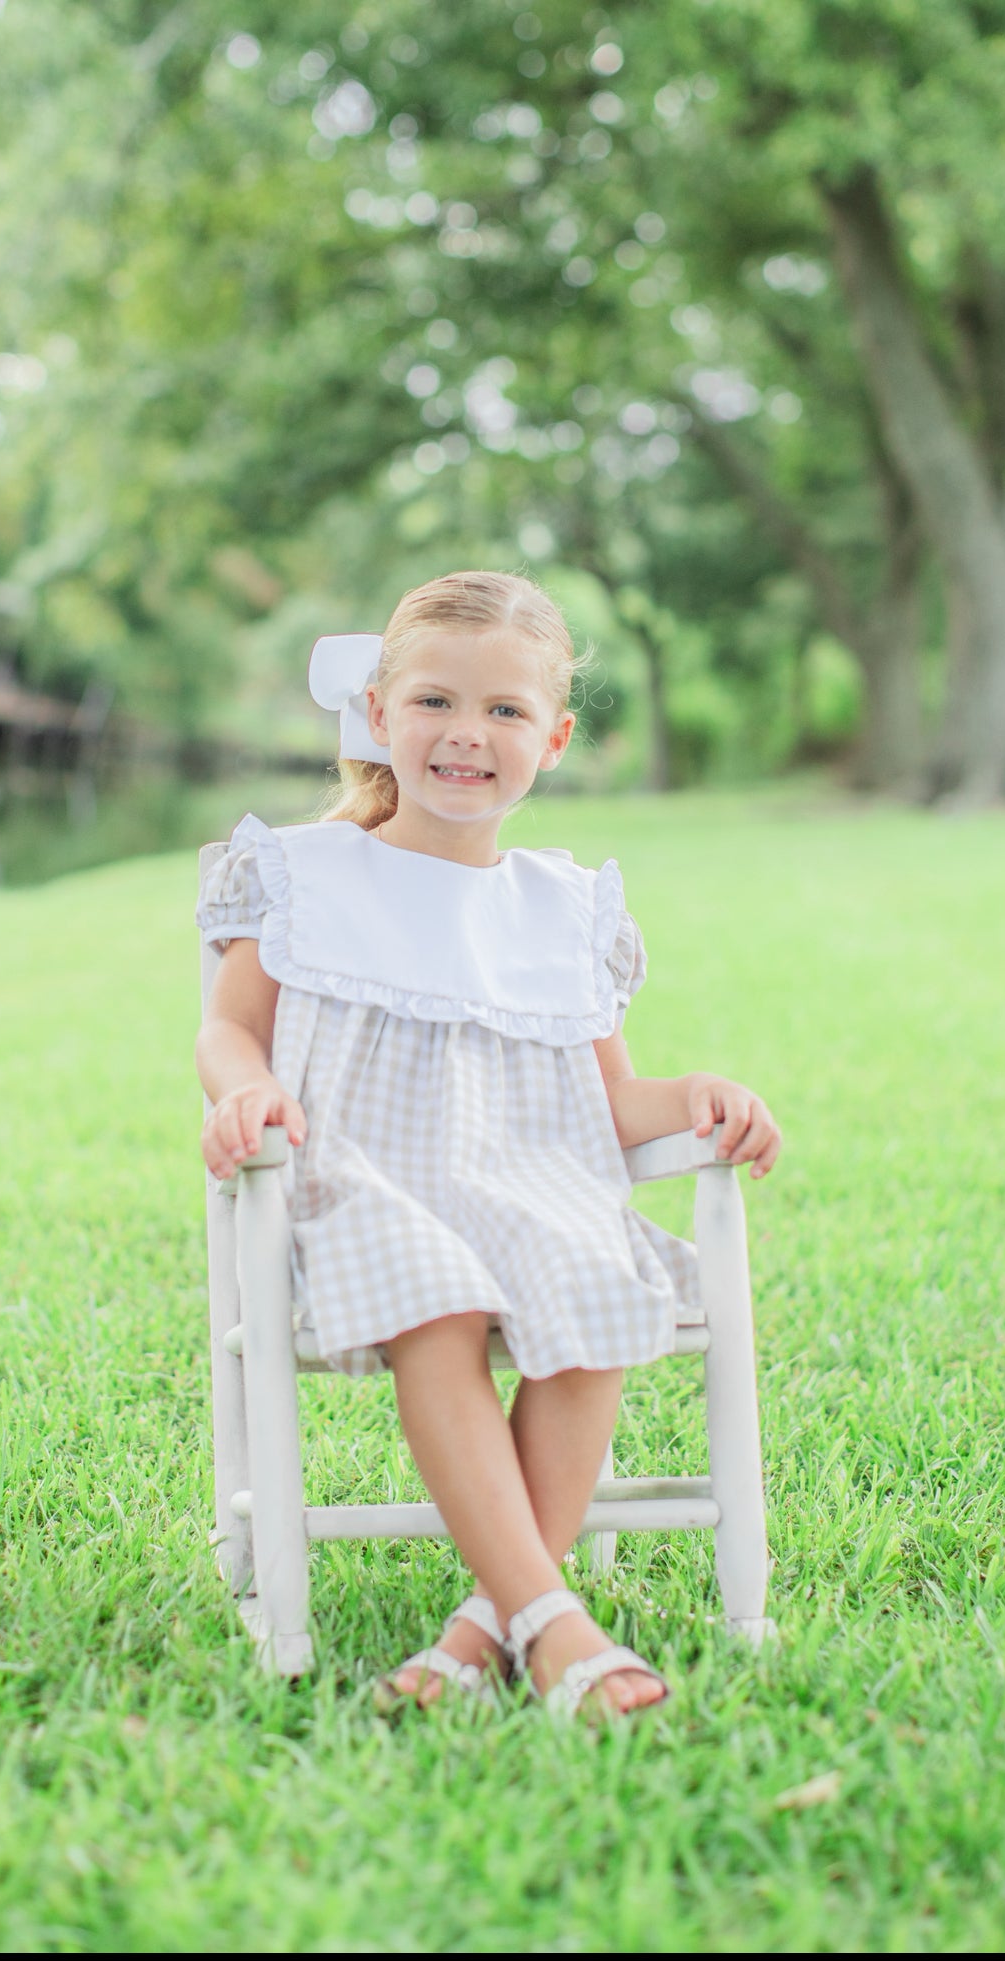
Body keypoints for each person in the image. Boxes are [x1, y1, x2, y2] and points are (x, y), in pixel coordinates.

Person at [196, 570, 780, 1721]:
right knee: (440, 1294)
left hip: (531, 1187)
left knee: (593, 1271)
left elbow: (615, 1101)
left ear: (554, 738)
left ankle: (485, 1626)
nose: (467, 733)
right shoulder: (309, 874)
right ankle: (555, 1623)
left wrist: (696, 1095)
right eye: (435, 701)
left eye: (506, 710)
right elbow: (230, 1027)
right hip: (360, 1185)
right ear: (379, 713)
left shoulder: (561, 907)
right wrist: (246, 1090)